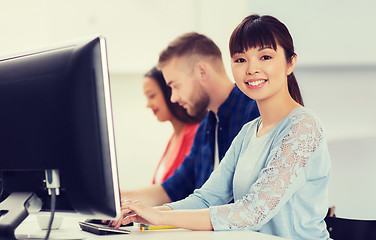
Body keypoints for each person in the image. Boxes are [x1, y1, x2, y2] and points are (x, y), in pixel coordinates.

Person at [116, 14, 331, 239]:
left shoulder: (303, 126)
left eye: (265, 56)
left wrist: (160, 218)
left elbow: (252, 212)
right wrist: (144, 214)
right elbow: (206, 198)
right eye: (240, 60)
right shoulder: (249, 132)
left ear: (290, 63)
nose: (251, 69)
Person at [120, 33, 259, 207]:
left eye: (175, 85)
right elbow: (171, 190)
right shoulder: (205, 128)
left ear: (202, 71)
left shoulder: (254, 113)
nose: (173, 98)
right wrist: (117, 198)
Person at [142, 67, 202, 184]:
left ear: (170, 92)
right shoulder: (174, 137)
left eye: (152, 96)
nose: (148, 105)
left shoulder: (195, 134)